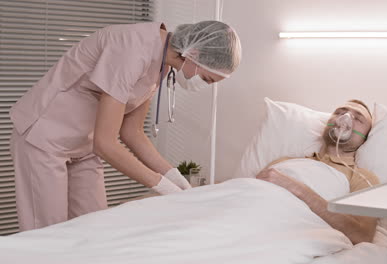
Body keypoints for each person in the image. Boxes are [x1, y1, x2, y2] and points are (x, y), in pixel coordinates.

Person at [9, 20, 242, 231]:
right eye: (206, 79)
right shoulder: (131, 48)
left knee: (95, 229)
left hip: (84, 146)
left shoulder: (161, 63)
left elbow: (132, 132)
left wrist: (176, 178)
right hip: (45, 138)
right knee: (48, 233)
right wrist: (163, 187)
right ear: (194, 53)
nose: (201, 85)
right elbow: (106, 143)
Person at [256, 99, 380, 245]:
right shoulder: (284, 162)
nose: (345, 117)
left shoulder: (363, 178)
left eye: (358, 118)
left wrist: (295, 188)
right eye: (339, 113)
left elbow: (361, 235)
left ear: (364, 139)